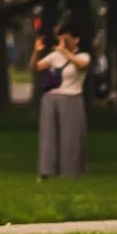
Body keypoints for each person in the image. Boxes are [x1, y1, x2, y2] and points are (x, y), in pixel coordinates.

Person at [36, 29, 91, 177]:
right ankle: (46, 171)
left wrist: (65, 52)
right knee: (48, 136)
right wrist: (36, 51)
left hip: (71, 97)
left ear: (76, 40)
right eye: (60, 39)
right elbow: (36, 66)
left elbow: (82, 65)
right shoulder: (54, 56)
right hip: (51, 97)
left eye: (65, 39)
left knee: (71, 137)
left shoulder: (83, 56)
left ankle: (70, 172)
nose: (62, 43)